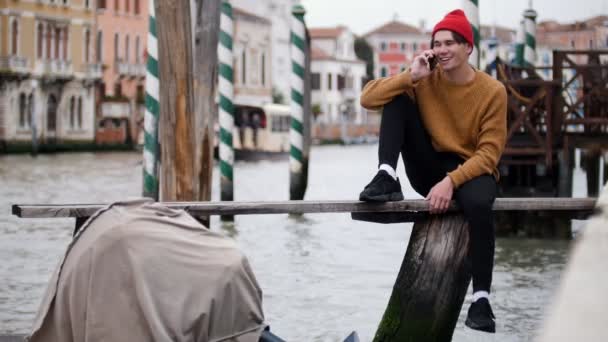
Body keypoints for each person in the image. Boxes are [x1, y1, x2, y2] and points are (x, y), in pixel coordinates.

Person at [358, 9, 507, 333]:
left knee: (480, 204)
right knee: (396, 98)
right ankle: (386, 175)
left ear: (468, 47)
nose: (442, 49)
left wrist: (451, 182)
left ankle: (481, 299)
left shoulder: (492, 91)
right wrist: (410, 76)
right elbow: (368, 98)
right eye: (437, 43)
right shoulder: (423, 78)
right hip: (427, 165)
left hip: (470, 170)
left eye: (450, 42)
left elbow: (489, 153)